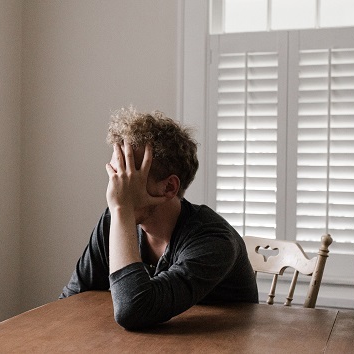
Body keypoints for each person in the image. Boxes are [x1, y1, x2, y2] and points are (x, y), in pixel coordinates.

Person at [60, 106, 258, 330]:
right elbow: (71, 300)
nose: (115, 189)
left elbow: (133, 311)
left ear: (169, 187)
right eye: (115, 175)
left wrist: (122, 210)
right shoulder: (114, 220)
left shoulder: (214, 240)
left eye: (128, 177)